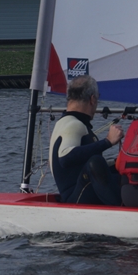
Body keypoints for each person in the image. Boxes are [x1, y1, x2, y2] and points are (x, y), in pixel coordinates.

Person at [49, 75, 123, 205]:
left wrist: (120, 163)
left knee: (123, 169)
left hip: (82, 192)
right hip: (75, 200)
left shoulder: (68, 123)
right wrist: (108, 142)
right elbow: (65, 158)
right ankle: (123, 210)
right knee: (96, 162)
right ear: (93, 99)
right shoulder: (73, 125)